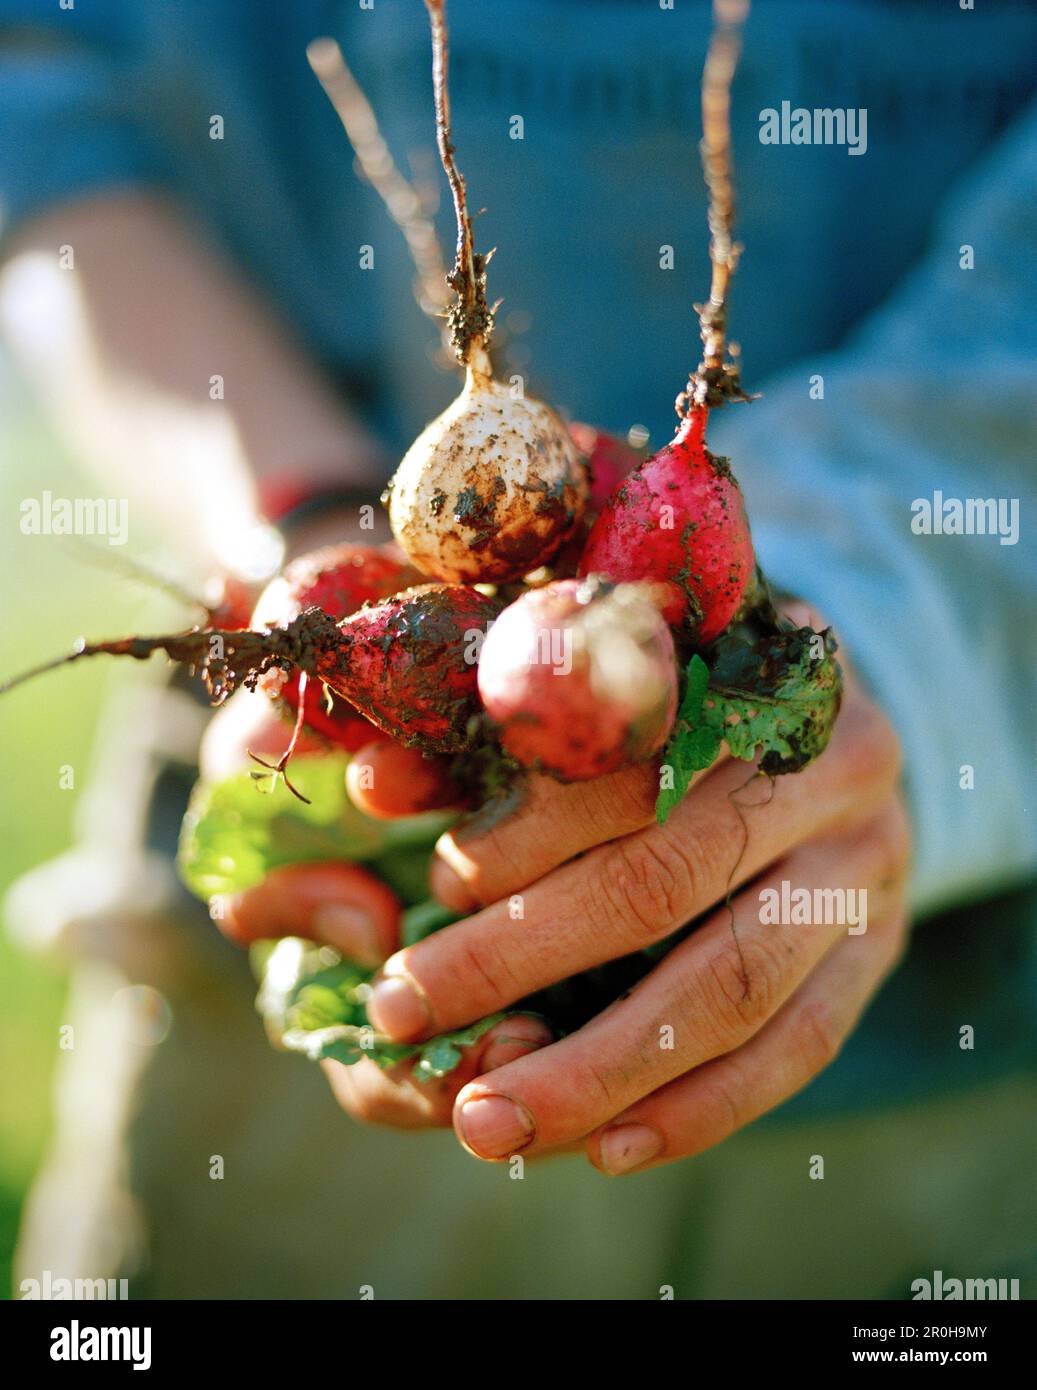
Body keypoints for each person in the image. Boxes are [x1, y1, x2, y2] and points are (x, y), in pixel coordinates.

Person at [2, 0, 1035, 1297]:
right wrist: (303, 528)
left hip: (953, 1056)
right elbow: (41, 104)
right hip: (288, 1048)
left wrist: (866, 628)